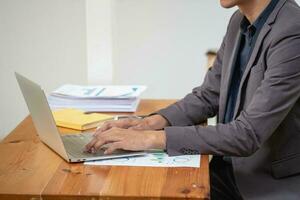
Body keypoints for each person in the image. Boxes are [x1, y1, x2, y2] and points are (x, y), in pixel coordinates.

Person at [85, 0, 300, 199]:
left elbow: (247, 135)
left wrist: (152, 139)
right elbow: (208, 96)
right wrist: (148, 123)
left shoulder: (292, 31)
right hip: (224, 169)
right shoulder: (238, 22)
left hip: (262, 184)